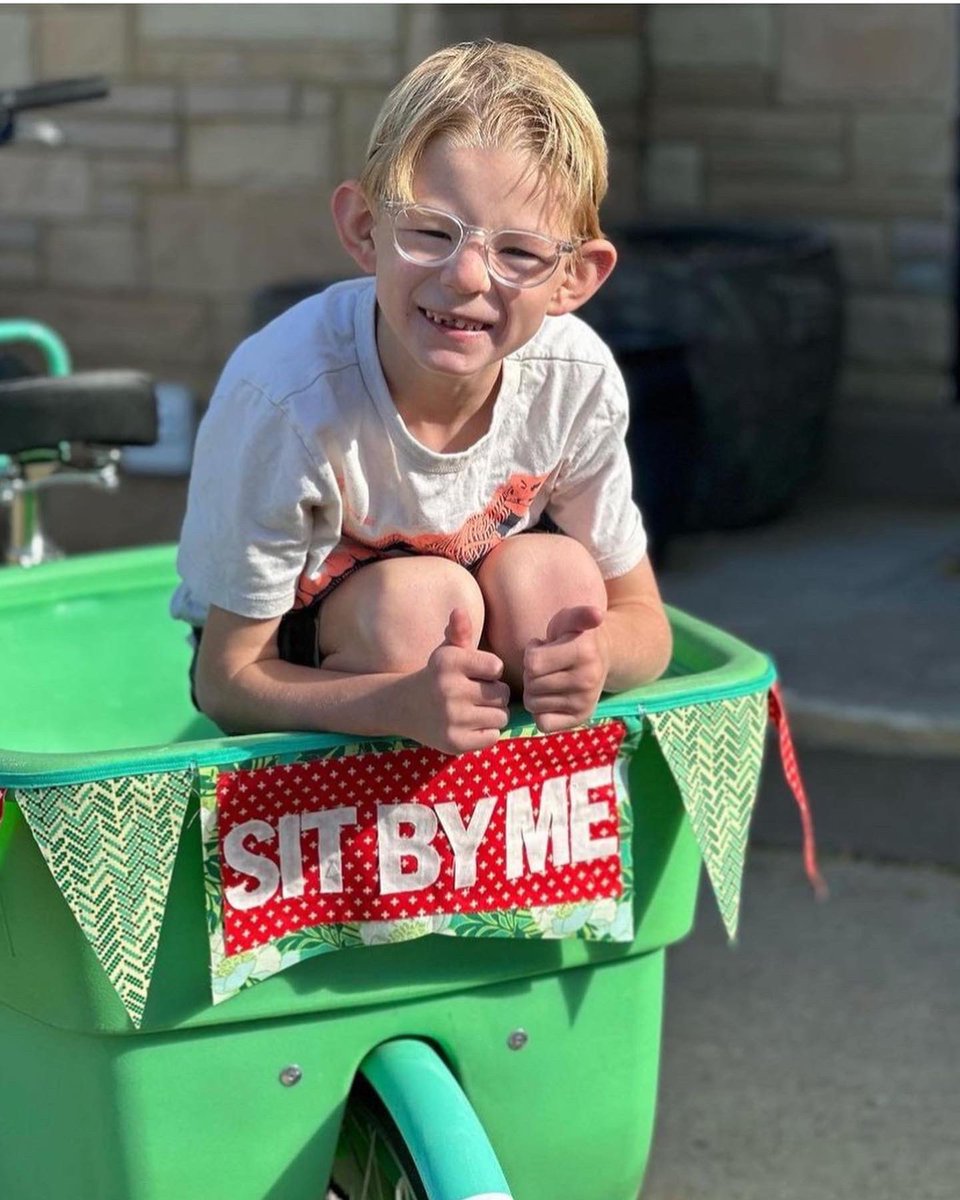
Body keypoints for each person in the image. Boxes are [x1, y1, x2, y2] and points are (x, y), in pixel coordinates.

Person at [171, 39, 672, 756]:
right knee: (418, 610)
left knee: (555, 586)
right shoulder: (288, 399)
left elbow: (645, 624)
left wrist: (595, 660)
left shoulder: (574, 380)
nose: (467, 277)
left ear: (576, 278)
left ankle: (504, 828)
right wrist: (393, 704)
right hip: (292, 647)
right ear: (364, 229)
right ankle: (372, 824)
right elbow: (227, 681)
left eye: (520, 253)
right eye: (432, 232)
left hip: (463, 629)